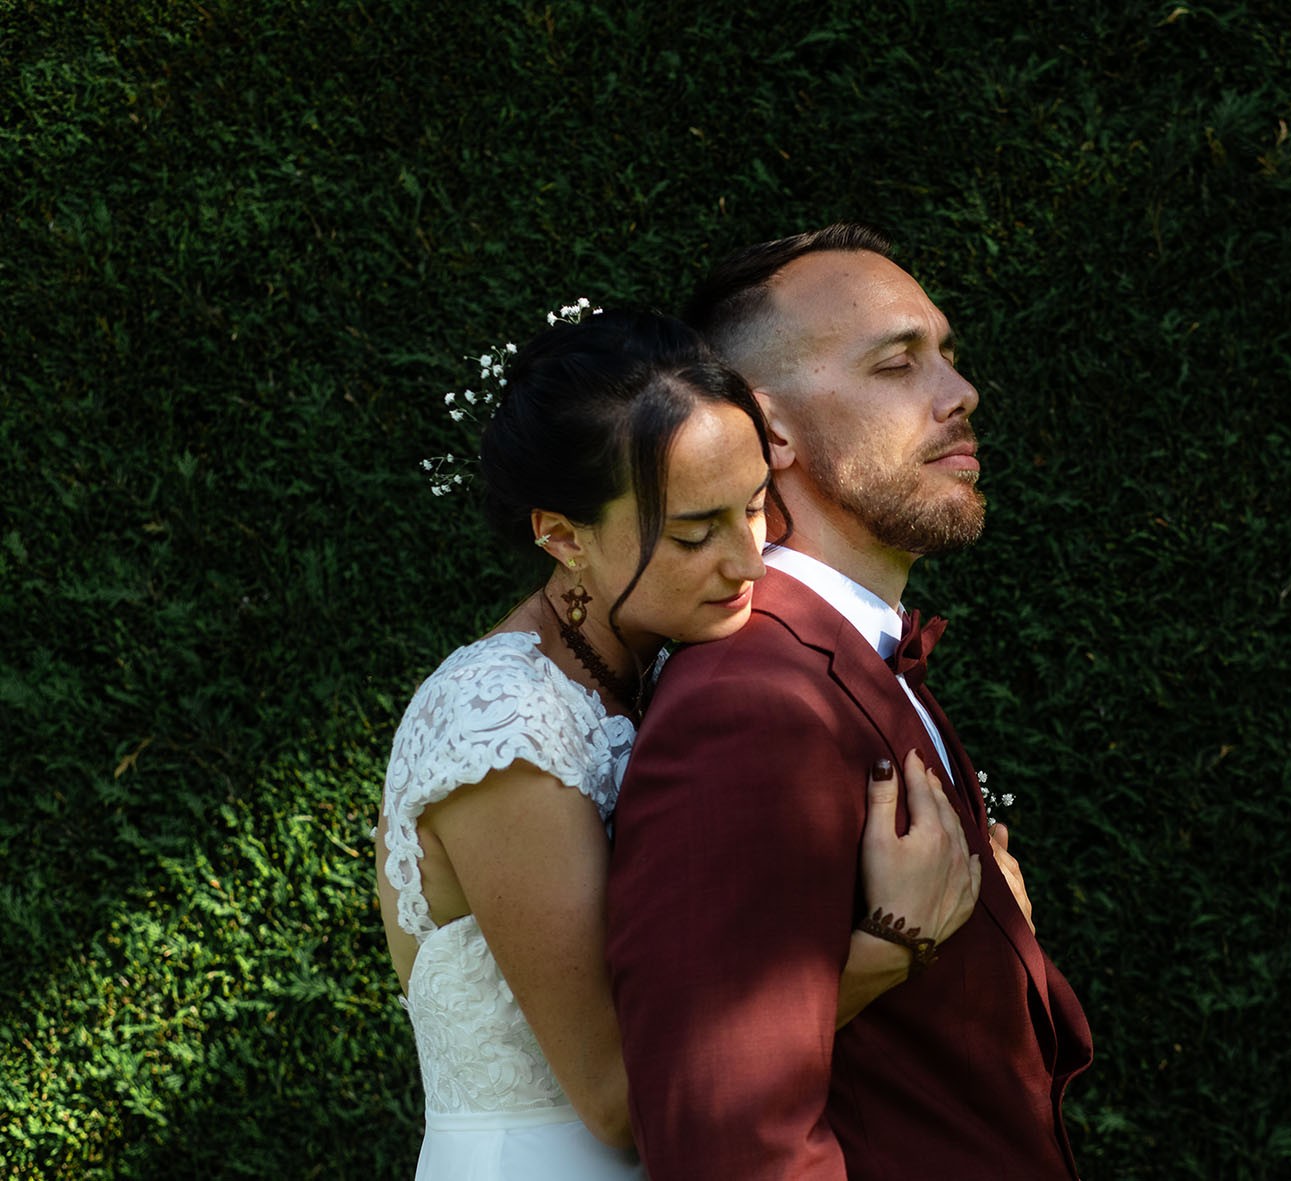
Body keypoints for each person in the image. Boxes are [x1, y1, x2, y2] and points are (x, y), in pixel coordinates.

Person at [373, 307, 982, 1180]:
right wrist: (890, 948)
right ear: (560, 537)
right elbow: (622, 1092)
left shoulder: (674, 667)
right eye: (697, 533)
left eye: (756, 507)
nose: (750, 559)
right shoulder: (501, 728)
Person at [607, 225, 1094, 1179]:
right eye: (896, 363)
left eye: (947, 354)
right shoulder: (746, 703)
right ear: (767, 431)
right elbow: (730, 1147)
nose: (959, 393)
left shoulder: (851, 659)